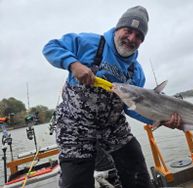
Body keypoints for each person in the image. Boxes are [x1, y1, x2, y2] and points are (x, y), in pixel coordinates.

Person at [43, 5, 181, 188]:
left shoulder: (136, 72)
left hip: (113, 128)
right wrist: (74, 65)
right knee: (75, 182)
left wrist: (162, 119)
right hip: (76, 128)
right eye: (128, 31)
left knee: (137, 168)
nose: (131, 38)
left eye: (138, 36)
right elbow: (51, 47)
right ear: (118, 29)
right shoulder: (89, 42)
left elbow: (133, 108)